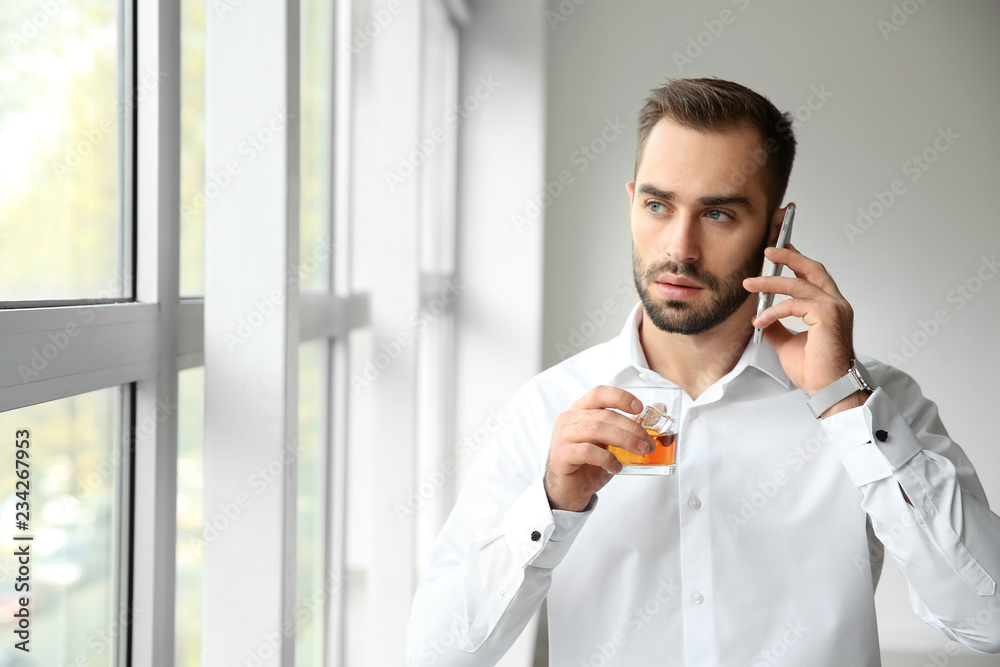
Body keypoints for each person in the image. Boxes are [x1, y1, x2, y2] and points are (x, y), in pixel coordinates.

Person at [406, 78, 1000, 666]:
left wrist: (845, 406)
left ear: (776, 230)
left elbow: (988, 623)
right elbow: (436, 654)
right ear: (632, 201)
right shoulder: (550, 407)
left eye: (717, 214)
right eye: (658, 205)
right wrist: (551, 506)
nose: (679, 248)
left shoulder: (872, 401)